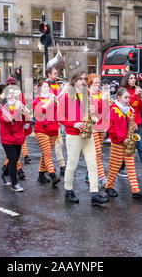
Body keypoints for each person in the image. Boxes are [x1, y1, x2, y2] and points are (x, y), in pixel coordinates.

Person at [57, 69, 109, 206]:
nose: (84, 81)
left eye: (85, 79)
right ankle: (68, 191)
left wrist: (93, 110)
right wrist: (74, 124)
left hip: (88, 133)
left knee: (93, 164)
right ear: (74, 81)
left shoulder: (87, 94)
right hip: (74, 135)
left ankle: (94, 194)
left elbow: (90, 110)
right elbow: (59, 117)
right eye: (81, 79)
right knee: (72, 165)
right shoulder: (66, 95)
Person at [104, 87, 142, 199]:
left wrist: (133, 126)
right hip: (118, 143)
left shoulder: (130, 110)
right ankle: (109, 186)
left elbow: (128, 123)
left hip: (128, 141)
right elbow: (111, 128)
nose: (128, 99)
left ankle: (135, 190)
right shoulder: (114, 109)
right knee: (115, 167)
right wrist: (122, 139)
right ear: (118, 98)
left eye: (129, 97)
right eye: (125, 97)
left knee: (131, 166)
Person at [0, 86, 32, 192]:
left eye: (13, 93)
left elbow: (26, 121)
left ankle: (4, 174)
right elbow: (8, 119)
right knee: (12, 160)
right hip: (7, 138)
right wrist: (17, 110)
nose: (11, 95)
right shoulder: (1, 109)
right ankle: (14, 184)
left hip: (19, 137)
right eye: (9, 93)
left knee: (15, 159)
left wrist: (26, 115)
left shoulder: (19, 106)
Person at [33, 80, 61, 187]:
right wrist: (49, 101)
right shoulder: (36, 100)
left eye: (47, 87)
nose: (46, 89)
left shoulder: (52, 99)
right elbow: (40, 112)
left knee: (45, 153)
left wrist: (57, 102)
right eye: (44, 87)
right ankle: (52, 175)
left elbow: (60, 113)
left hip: (53, 130)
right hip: (41, 130)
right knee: (48, 154)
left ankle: (41, 174)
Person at [87, 74, 109, 188]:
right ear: (90, 83)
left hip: (102, 126)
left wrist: (106, 102)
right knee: (97, 154)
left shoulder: (101, 94)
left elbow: (104, 110)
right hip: (93, 126)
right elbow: (93, 109)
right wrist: (102, 100)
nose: (98, 85)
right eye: (95, 83)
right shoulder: (88, 94)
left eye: (99, 83)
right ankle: (102, 177)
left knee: (97, 151)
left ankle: (88, 174)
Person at [46, 66, 66, 176]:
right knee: (49, 144)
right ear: (49, 74)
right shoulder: (46, 85)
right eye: (54, 73)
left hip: (57, 116)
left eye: (56, 73)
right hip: (49, 117)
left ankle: (62, 165)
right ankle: (45, 168)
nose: (56, 75)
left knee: (59, 142)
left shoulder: (57, 84)